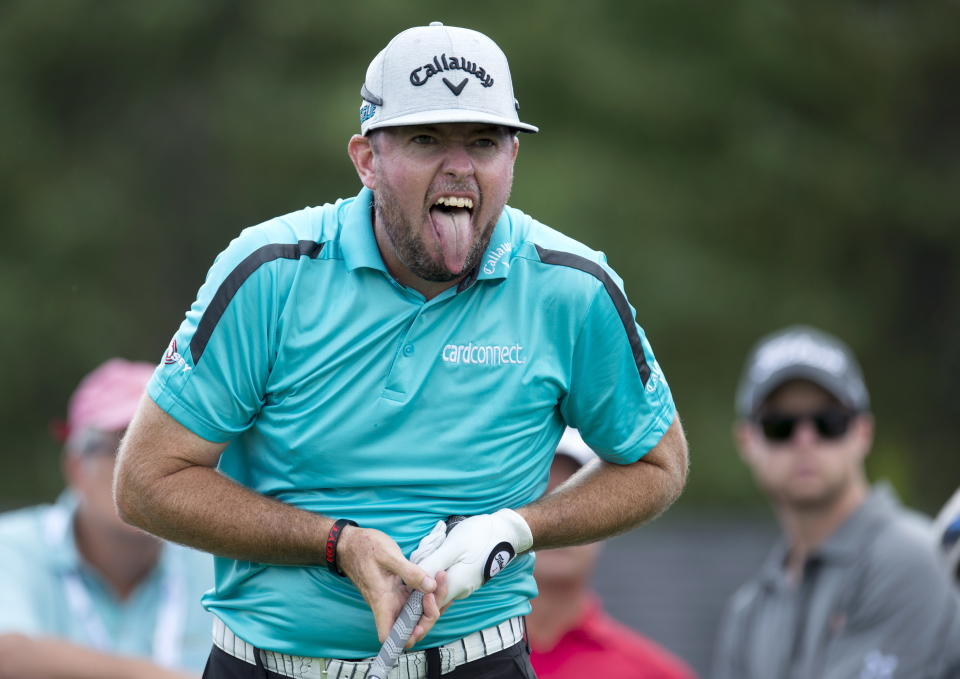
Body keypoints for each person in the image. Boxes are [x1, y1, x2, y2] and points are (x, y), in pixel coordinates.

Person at [113, 20, 688, 679]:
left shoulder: (571, 288)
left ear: (512, 158)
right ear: (366, 159)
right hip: (267, 666)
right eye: (426, 139)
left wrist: (517, 529)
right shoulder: (269, 273)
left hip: (477, 663)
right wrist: (336, 545)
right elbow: (146, 482)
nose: (461, 166)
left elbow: (657, 463)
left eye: (484, 141)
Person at [712, 325, 960, 679]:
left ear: (863, 432)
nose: (805, 439)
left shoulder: (913, 558)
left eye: (829, 422)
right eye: (780, 425)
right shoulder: (749, 611)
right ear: (746, 440)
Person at [0, 359, 213, 678]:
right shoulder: (13, 546)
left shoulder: (217, 564)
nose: (144, 470)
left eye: (166, 449)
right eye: (119, 447)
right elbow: (8, 654)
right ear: (75, 467)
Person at [527, 428, 696, 679]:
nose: (558, 519)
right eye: (539, 495)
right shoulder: (458, 658)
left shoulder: (657, 674)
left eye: (576, 498)